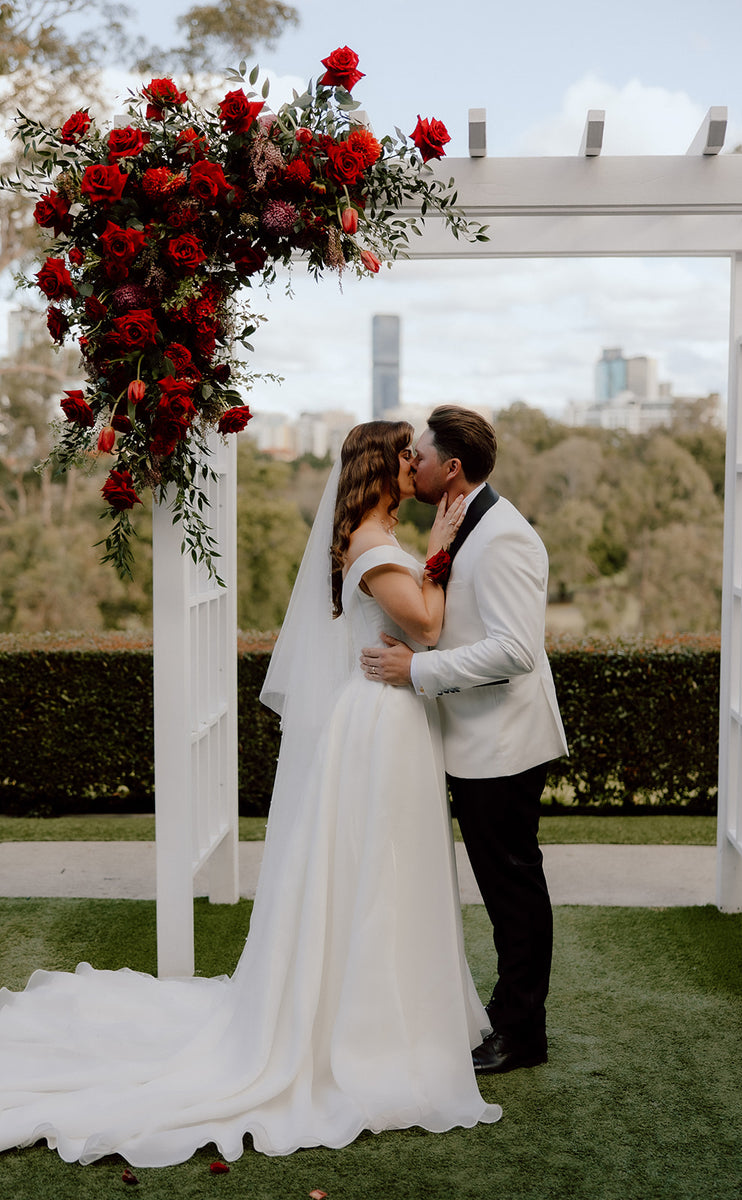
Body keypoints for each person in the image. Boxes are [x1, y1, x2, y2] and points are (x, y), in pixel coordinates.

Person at [0, 420, 500, 1168]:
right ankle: (369, 1030)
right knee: (378, 869)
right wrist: (449, 545)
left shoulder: (373, 533)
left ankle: (401, 1012)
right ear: (378, 465)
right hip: (379, 720)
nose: (414, 466)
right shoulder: (369, 541)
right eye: (404, 455)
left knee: (392, 868)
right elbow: (426, 625)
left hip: (392, 716)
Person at [360, 406, 568, 1075]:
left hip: (502, 745)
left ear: (450, 469)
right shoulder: (462, 523)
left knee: (513, 892)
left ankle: (520, 1033)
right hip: (475, 740)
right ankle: (512, 1021)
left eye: (417, 456)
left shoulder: (503, 536)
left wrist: (417, 669)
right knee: (505, 889)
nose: (410, 464)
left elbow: (515, 651)